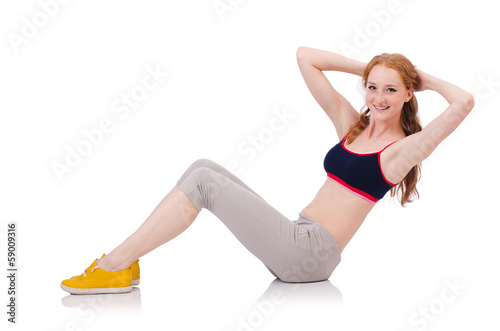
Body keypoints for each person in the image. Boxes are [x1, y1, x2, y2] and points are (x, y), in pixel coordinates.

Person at [61, 46, 475, 294]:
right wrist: (371, 66)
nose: (379, 97)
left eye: (391, 89)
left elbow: (463, 103)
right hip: (299, 234)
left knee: (203, 183)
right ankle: (127, 263)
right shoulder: (353, 125)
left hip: (311, 254)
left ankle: (114, 266)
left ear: (407, 94)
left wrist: (421, 76)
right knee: (202, 166)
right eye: (372, 86)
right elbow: (305, 57)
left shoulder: (402, 151)